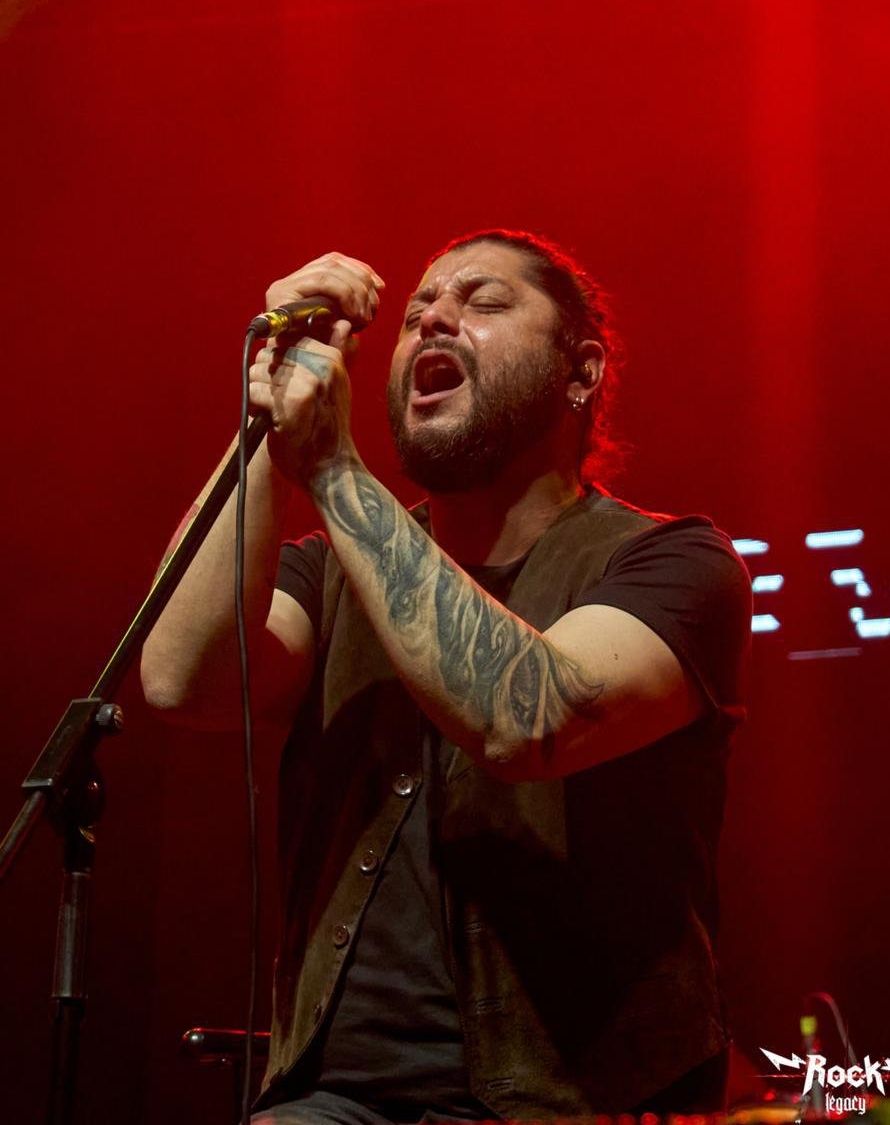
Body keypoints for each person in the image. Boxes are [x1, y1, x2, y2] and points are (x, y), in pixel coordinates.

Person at [141, 230, 752, 1124]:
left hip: (571, 1106)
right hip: (331, 1099)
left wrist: (333, 467)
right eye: (415, 312)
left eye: (484, 301)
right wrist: (272, 419)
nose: (432, 319)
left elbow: (528, 718)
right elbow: (180, 678)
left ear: (581, 373)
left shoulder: (675, 563)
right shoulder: (333, 574)